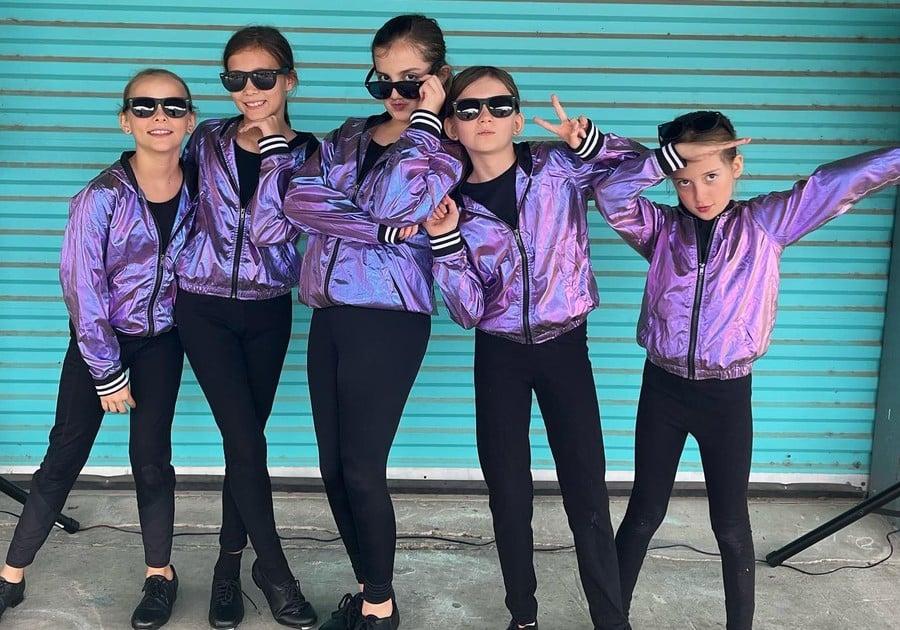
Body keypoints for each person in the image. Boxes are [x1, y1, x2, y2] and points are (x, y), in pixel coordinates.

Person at [596, 110, 900, 629]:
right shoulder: (661, 229)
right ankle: (610, 621)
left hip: (727, 397)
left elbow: (835, 183)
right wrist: (663, 161)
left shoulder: (765, 224)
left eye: (712, 175)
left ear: (738, 165)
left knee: (731, 525)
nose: (699, 193)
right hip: (662, 390)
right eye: (684, 180)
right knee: (643, 513)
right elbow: (612, 197)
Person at [249, 14, 461, 630]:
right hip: (329, 314)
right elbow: (296, 202)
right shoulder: (345, 136)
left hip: (389, 318)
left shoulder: (445, 148)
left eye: (412, 83)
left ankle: (378, 608)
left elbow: (403, 200)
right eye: (383, 82)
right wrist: (377, 228)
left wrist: (424, 124)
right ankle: (372, 590)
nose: (395, 95)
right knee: (334, 467)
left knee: (364, 467)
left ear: (439, 81)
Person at [422, 65, 640, 630]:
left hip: (566, 348)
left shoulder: (558, 166)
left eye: (498, 106)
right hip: (499, 356)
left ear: (518, 119)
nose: (485, 118)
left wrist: (594, 142)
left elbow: (641, 172)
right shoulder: (448, 205)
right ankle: (522, 616)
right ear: (452, 127)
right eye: (468, 109)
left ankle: (611, 620)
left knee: (587, 494)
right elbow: (467, 311)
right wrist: (445, 243)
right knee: (509, 495)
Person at [0, 68, 196, 630]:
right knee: (64, 455)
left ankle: (160, 575)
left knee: (152, 462)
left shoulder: (202, 189)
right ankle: (10, 577)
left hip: (163, 343)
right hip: (99, 345)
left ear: (190, 119)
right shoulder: (100, 196)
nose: (159, 116)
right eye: (144, 106)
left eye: (172, 106)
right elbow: (81, 286)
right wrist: (106, 373)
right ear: (125, 119)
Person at [174, 25, 322, 630]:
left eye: (263, 77)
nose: (250, 90)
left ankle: (227, 567)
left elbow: (294, 225)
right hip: (201, 303)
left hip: (267, 307)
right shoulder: (204, 137)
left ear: (288, 79)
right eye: (235, 79)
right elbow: (153, 188)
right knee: (245, 437)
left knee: (246, 441)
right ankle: (275, 570)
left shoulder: (312, 151)